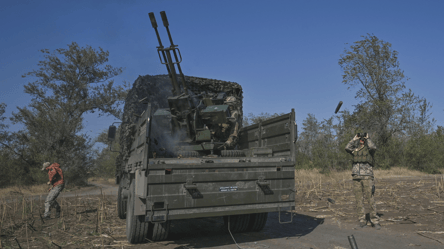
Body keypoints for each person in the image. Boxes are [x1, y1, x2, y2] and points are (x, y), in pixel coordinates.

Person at [345, 133, 380, 230]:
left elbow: (373, 147)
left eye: (362, 138)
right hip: (356, 177)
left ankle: (375, 220)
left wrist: (367, 138)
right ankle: (362, 219)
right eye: (360, 138)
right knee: (359, 200)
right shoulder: (355, 150)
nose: (361, 139)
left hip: (367, 177)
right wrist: (354, 139)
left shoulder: (369, 149)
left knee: (370, 199)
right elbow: (347, 148)